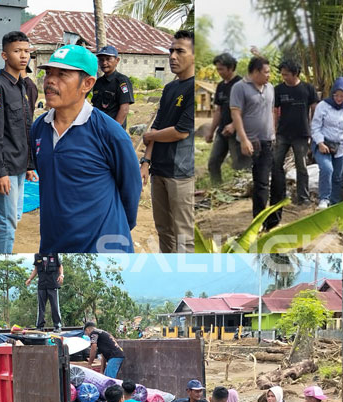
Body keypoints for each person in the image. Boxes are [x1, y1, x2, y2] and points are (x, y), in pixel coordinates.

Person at [31, 44, 141, 253]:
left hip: (102, 249)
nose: (50, 81)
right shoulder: (39, 128)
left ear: (87, 84)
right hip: (55, 244)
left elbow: (131, 189)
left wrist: (115, 227)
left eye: (62, 75)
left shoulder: (109, 133)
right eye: (48, 73)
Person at [141, 30, 195, 253]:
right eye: (171, 51)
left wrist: (151, 136)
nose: (172, 56)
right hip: (159, 170)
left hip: (181, 173)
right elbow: (158, 123)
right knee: (163, 229)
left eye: (179, 51)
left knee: (184, 233)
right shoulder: (170, 88)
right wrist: (145, 161)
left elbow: (181, 132)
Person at [0, 31, 34, 254]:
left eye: (26, 51)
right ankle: (3, 265)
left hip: (20, 165)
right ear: (4, 55)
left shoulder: (21, 85)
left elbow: (25, 129)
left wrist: (30, 165)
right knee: (7, 221)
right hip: (7, 167)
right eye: (17, 51)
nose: (23, 56)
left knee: (2, 216)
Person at [231, 57, 283, 231]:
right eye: (266, 72)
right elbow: (236, 114)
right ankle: (258, 222)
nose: (269, 75)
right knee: (261, 183)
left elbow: (271, 111)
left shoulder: (270, 88)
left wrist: (274, 131)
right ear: (254, 72)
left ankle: (273, 222)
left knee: (278, 181)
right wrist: (244, 139)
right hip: (254, 142)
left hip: (270, 140)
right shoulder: (239, 88)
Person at [272, 60, 318, 205]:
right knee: (276, 163)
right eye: (282, 74)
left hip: (301, 134)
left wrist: (312, 131)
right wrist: (273, 130)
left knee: (301, 166)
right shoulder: (278, 89)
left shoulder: (308, 89)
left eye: (286, 74)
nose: (284, 77)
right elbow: (274, 111)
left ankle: (303, 198)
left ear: (295, 73)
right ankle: (279, 195)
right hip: (282, 134)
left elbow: (314, 110)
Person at [311, 77, 343, 209]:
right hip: (323, 143)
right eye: (337, 95)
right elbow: (315, 126)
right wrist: (320, 143)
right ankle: (324, 199)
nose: (339, 99)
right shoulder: (323, 106)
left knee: (337, 175)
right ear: (332, 94)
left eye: (342, 96)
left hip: (341, 146)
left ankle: (335, 201)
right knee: (327, 169)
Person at [206, 53, 246, 185]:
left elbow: (247, 109)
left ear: (231, 68)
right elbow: (218, 110)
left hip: (238, 132)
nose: (219, 72)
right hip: (222, 131)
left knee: (239, 165)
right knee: (213, 162)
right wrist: (211, 131)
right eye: (217, 69)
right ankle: (217, 189)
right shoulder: (220, 86)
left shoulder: (241, 85)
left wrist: (234, 125)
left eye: (221, 69)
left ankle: (241, 190)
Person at [91, 45, 134, 128]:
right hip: (98, 128)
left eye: (108, 59)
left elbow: (124, 109)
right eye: (101, 60)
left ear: (117, 60)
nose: (104, 63)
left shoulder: (122, 81)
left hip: (112, 130)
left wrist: (114, 129)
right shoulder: (98, 82)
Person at [26, 252, 62, 329]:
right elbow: (35, 269)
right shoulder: (37, 255)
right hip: (42, 285)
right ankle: (40, 326)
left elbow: (60, 266)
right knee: (41, 307)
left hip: (52, 284)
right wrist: (30, 279)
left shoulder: (54, 254)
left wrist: (61, 275)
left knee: (55, 306)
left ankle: (57, 325)